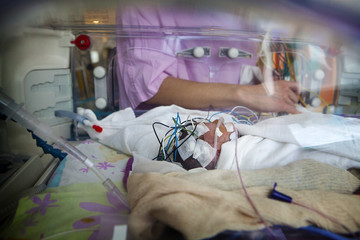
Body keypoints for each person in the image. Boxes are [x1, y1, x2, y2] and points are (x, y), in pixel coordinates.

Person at [116, 5, 301, 114]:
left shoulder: (251, 10)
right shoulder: (144, 6)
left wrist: (265, 82)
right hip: (163, 127)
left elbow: (254, 56)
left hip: (240, 123)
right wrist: (243, 94)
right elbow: (146, 85)